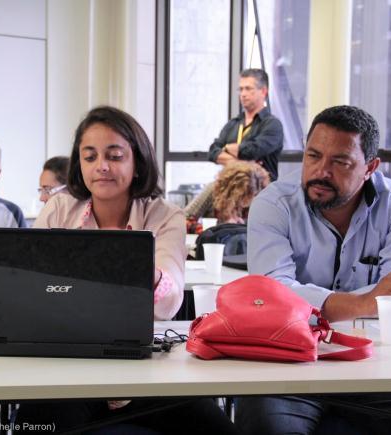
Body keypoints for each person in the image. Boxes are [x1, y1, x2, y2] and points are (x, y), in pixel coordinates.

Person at [17, 106, 236, 434]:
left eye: (114, 156)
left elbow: (169, 303)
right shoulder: (60, 209)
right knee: (36, 424)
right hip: (68, 365)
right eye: (89, 157)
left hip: (144, 369)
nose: (101, 167)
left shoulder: (165, 215)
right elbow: (31, 290)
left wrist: (140, 269)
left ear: (137, 163)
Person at [239, 105, 391, 434]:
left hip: (374, 365)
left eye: (339, 162)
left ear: (370, 167)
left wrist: (309, 303)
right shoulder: (273, 204)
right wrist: (364, 303)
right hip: (284, 366)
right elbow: (272, 295)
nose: (321, 171)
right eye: (313, 156)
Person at [207, 68, 284, 181]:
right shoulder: (233, 124)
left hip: (261, 192)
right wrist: (243, 164)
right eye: (241, 89)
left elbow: (253, 151)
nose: (243, 94)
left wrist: (227, 148)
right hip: (231, 191)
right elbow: (213, 152)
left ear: (263, 91)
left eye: (248, 89)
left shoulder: (272, 125)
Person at [194, 161, 269, 261]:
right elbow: (185, 218)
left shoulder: (260, 198)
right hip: (212, 252)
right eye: (244, 194)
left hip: (243, 254)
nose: (248, 201)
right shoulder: (213, 190)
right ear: (231, 189)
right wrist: (221, 226)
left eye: (254, 195)